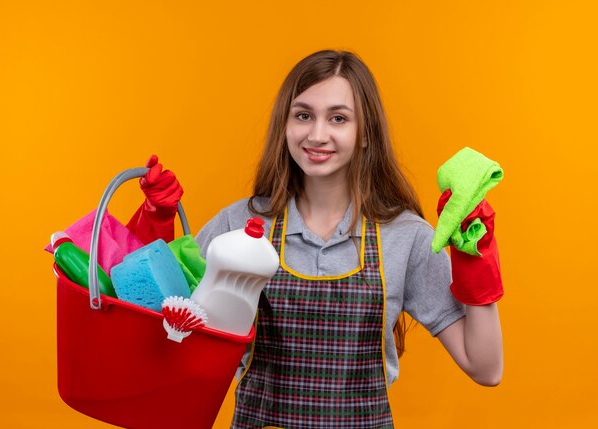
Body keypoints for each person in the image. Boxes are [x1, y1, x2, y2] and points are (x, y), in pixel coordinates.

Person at [128, 50, 504, 429]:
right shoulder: (239, 223)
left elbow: (485, 368)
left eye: (338, 118)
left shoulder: (405, 237)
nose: (317, 134)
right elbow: (159, 324)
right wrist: (156, 222)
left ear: (365, 134)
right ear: (285, 125)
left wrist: (476, 260)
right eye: (303, 115)